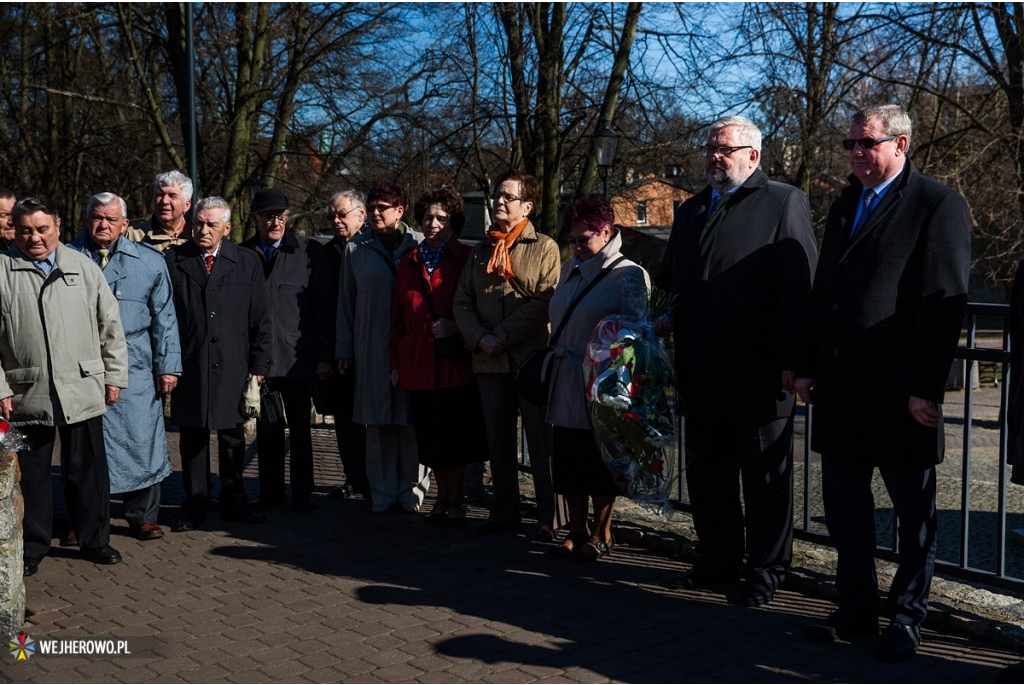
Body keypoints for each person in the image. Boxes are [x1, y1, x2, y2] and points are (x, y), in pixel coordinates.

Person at [795, 104, 971, 661]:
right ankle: (856, 610)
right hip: (843, 388)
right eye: (850, 144)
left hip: (901, 394)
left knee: (913, 514)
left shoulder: (937, 203)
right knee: (846, 508)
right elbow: (825, 289)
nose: (854, 154)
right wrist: (807, 363)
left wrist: (928, 386)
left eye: (865, 144)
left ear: (900, 145)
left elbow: (942, 304)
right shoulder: (845, 200)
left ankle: (908, 617)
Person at [654, 115, 817, 605]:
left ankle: (768, 569)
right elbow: (669, 282)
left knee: (765, 478)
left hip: (760, 370)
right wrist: (656, 320)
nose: (713, 156)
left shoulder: (782, 201)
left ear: (753, 155)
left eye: (724, 149)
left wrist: (797, 358)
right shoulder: (691, 210)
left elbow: (800, 287)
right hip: (701, 368)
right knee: (709, 472)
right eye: (708, 148)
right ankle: (718, 556)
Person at [0, 195, 129, 575]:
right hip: (25, 394)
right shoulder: (3, 270)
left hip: (82, 386)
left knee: (87, 470)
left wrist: (115, 375)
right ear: (15, 231)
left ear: (57, 226)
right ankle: (34, 547)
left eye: (42, 229)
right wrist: (1, 390)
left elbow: (111, 326)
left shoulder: (83, 266)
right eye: (25, 230)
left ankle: (94, 540)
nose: (34, 238)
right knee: (32, 475)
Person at [453, 169, 563, 537]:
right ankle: (504, 510)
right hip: (488, 359)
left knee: (541, 442)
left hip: (530, 359)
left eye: (508, 197)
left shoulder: (544, 247)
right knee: (497, 439)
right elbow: (462, 302)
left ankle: (550, 517)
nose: (499, 202)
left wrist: (501, 333)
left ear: (527, 206)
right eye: (497, 195)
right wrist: (480, 338)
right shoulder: (480, 252)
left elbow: (545, 300)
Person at [68, 192, 182, 541]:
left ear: (125, 224)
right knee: (85, 445)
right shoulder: (67, 257)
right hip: (80, 364)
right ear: (87, 220)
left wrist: (169, 367)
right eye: (97, 217)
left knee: (141, 436)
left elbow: (165, 319)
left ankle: (142, 516)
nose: (103, 225)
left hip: (136, 363)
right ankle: (86, 520)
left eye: (111, 219)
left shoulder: (149, 261)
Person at [547, 195, 649, 560]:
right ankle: (575, 528)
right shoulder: (568, 267)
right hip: (565, 378)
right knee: (570, 459)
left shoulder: (630, 274)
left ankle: (602, 531)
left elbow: (640, 333)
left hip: (604, 383)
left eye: (583, 238)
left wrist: (606, 357)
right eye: (572, 239)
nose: (576, 246)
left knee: (602, 459)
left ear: (605, 232)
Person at [165, 196, 272, 531]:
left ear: (227, 228)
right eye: (198, 222)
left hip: (232, 363)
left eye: (212, 224)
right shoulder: (173, 260)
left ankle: (233, 500)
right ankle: (195, 502)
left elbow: (261, 317)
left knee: (232, 435)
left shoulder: (247, 261)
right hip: (190, 362)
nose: (203, 229)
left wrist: (259, 363)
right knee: (192, 435)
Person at [389, 187, 487, 525]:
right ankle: (440, 499)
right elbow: (397, 317)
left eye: (442, 218)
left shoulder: (467, 258)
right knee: (430, 437)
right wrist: (396, 362)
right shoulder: (408, 262)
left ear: (454, 223)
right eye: (428, 217)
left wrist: (457, 327)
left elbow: (479, 308)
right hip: (418, 360)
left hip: (453, 362)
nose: (433, 224)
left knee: (455, 437)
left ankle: (456, 499)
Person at [336, 182, 429, 513]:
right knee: (376, 423)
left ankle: (411, 489)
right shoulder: (355, 249)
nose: (375, 212)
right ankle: (382, 491)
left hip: (411, 345)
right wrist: (344, 348)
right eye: (372, 206)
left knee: (410, 421)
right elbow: (346, 303)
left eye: (382, 207)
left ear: (400, 211)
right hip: (371, 345)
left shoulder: (418, 244)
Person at [241, 188, 333, 513]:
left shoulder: (308, 253)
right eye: (268, 216)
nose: (275, 222)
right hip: (262, 359)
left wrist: (323, 356)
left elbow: (321, 307)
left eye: (281, 215)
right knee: (268, 429)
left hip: (299, 358)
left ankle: (303, 493)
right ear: (255, 217)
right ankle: (271, 493)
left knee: (301, 429)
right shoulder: (244, 254)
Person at [323, 189, 369, 499]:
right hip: (340, 350)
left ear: (361, 214)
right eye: (332, 216)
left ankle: (377, 477)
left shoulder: (373, 249)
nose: (336, 220)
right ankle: (354, 477)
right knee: (345, 419)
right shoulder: (325, 254)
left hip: (370, 344)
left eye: (342, 214)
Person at [126, 170, 193, 251]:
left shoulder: (199, 237)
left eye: (172, 196)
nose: (164, 201)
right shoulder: (133, 235)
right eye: (160, 194)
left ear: (187, 205)